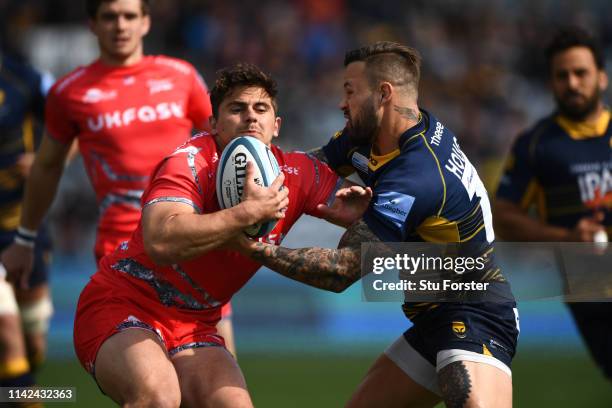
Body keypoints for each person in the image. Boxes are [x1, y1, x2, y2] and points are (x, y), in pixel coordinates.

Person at [231, 41, 519, 407]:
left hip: (475, 313)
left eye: (350, 92)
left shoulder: (418, 175)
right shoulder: (375, 135)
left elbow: (340, 272)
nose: (341, 103)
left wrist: (247, 244)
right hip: (432, 318)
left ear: (383, 94)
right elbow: (306, 171)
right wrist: (246, 166)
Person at [72, 62, 365, 407]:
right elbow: (161, 241)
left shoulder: (301, 173)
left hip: (196, 323)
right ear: (213, 123)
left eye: (261, 109)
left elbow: (371, 219)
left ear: (276, 125)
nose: (251, 118)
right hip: (124, 302)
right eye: (236, 109)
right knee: (158, 397)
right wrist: (246, 214)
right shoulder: (190, 160)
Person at [0, 0, 236, 354]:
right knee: (154, 386)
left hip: (192, 241)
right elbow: (47, 167)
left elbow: (224, 146)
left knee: (216, 383)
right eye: (109, 17)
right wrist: (25, 237)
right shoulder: (71, 92)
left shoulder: (180, 76)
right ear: (93, 25)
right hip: (123, 251)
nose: (120, 26)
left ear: (145, 23)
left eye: (129, 16)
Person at [494, 27, 612, 380]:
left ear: (602, 78)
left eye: (581, 73)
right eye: (563, 75)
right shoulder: (536, 145)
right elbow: (504, 217)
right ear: (551, 83)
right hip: (589, 292)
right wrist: (566, 236)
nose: (572, 83)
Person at [0, 48, 54, 394]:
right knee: (8, 337)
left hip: (24, 231)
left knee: (33, 346)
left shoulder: (24, 79)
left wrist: (42, 160)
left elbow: (71, 125)